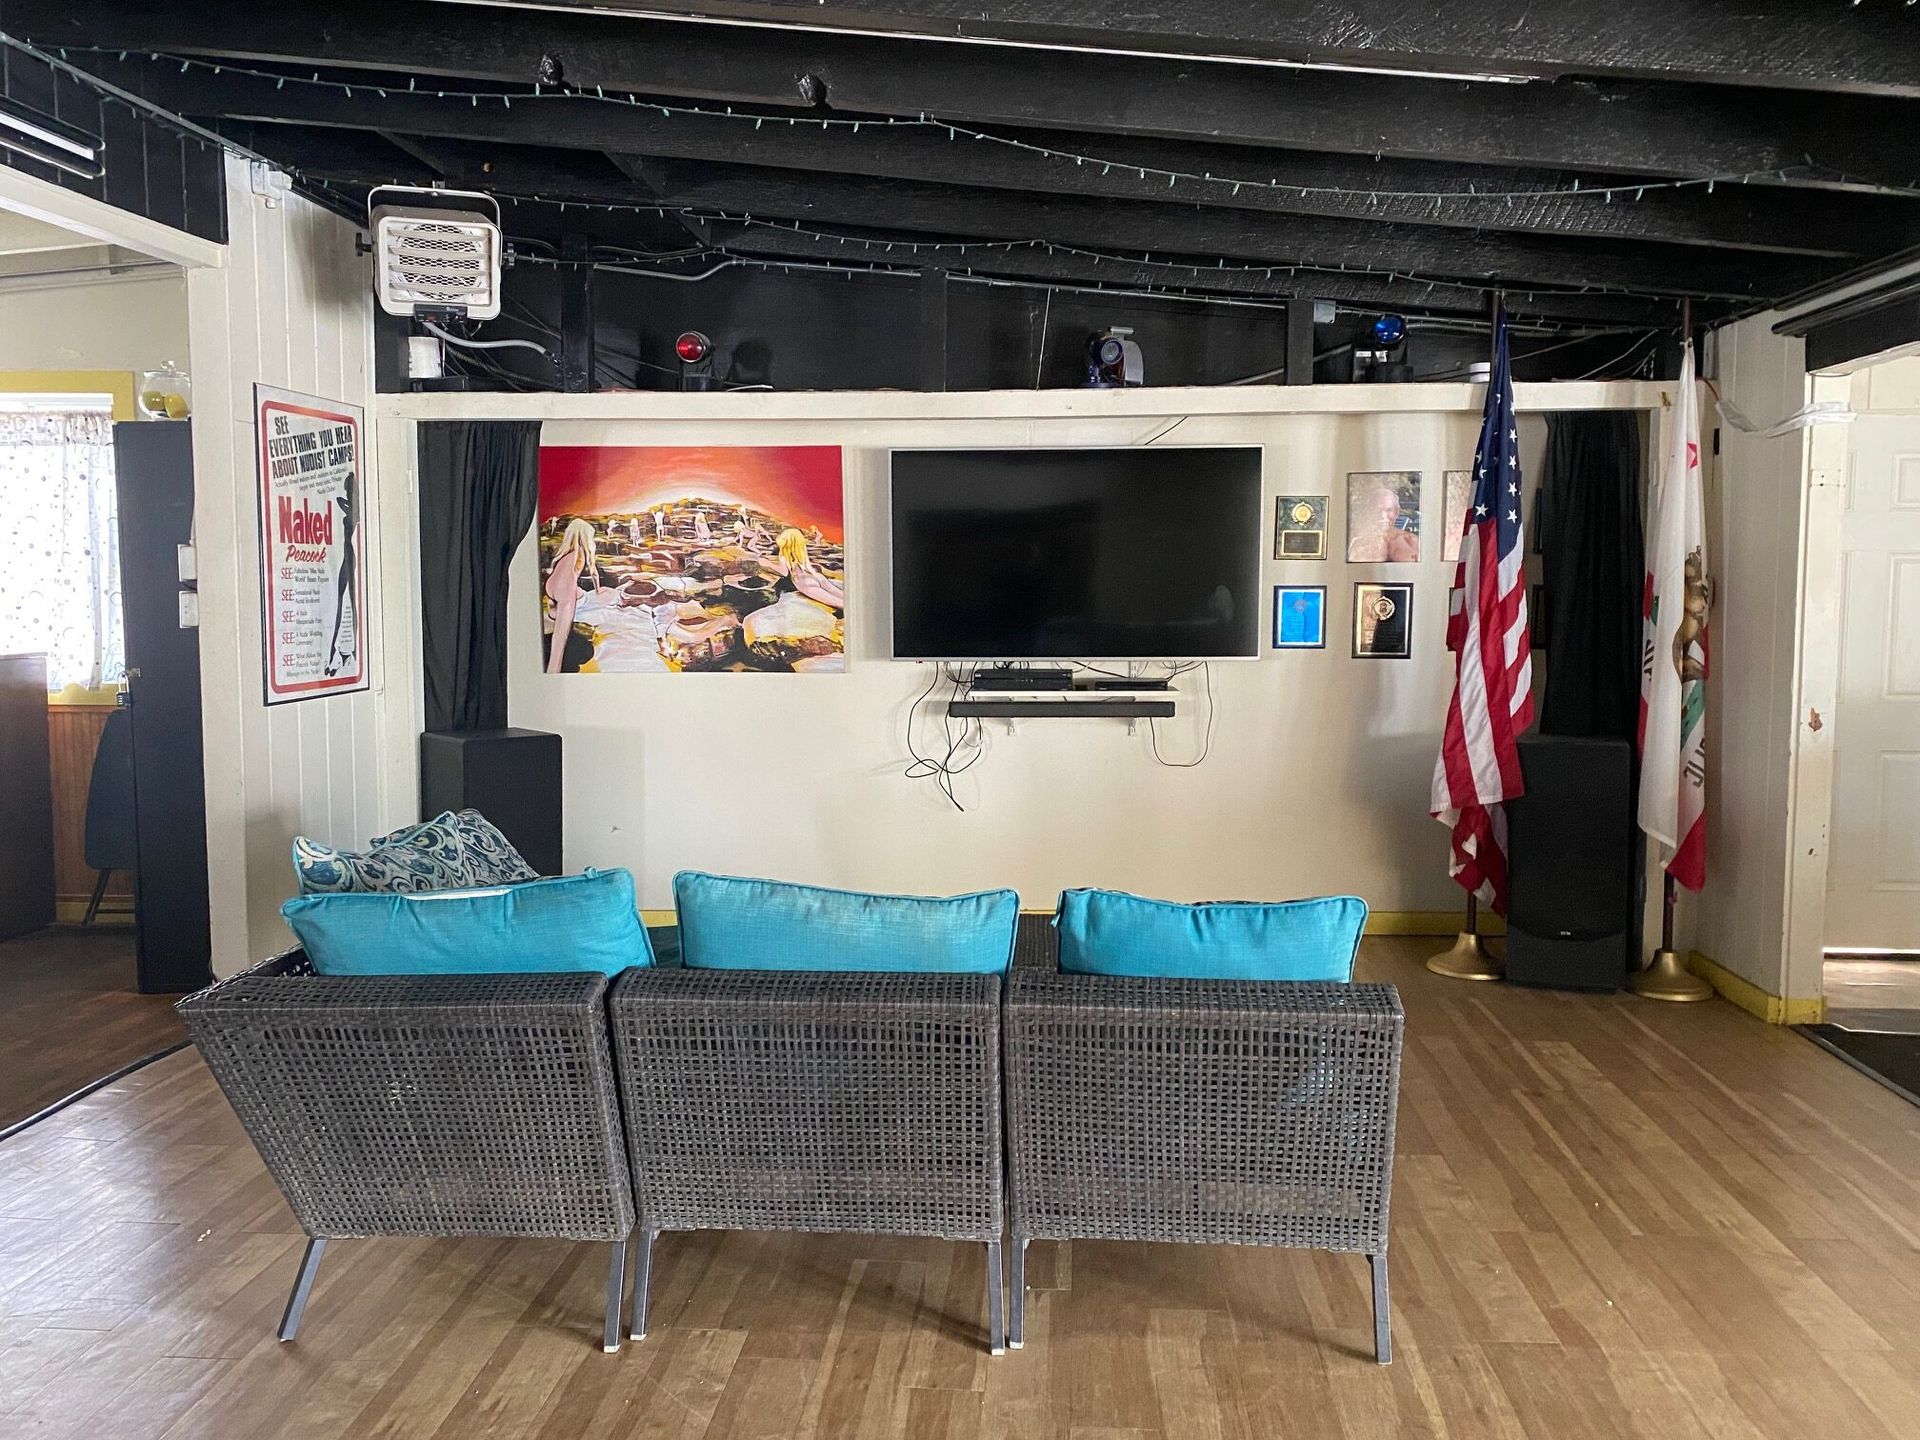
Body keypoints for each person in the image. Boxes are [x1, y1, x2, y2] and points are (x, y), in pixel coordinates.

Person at [545, 517, 602, 673]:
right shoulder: (583, 552)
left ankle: (553, 612)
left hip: (552, 587)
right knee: (559, 642)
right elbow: (594, 573)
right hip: (565, 590)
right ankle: (553, 671)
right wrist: (598, 589)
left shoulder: (567, 552)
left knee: (580, 594)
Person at [323, 469, 358, 678]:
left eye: (348, 490)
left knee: (351, 604)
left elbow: (343, 504)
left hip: (350, 557)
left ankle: (349, 652)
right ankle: (334, 654)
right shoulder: (349, 507)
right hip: (346, 558)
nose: (345, 493)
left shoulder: (356, 511)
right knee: (340, 603)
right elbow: (338, 500)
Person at [766, 527, 846, 611]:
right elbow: (809, 567)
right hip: (817, 576)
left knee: (837, 602)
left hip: (803, 582)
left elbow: (784, 572)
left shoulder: (784, 555)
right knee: (841, 595)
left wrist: (770, 565)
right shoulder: (801, 551)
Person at [1352, 481, 1420, 562]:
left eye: (1388, 510)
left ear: (1396, 512)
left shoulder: (1412, 542)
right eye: (1377, 510)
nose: (1382, 515)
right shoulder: (1358, 545)